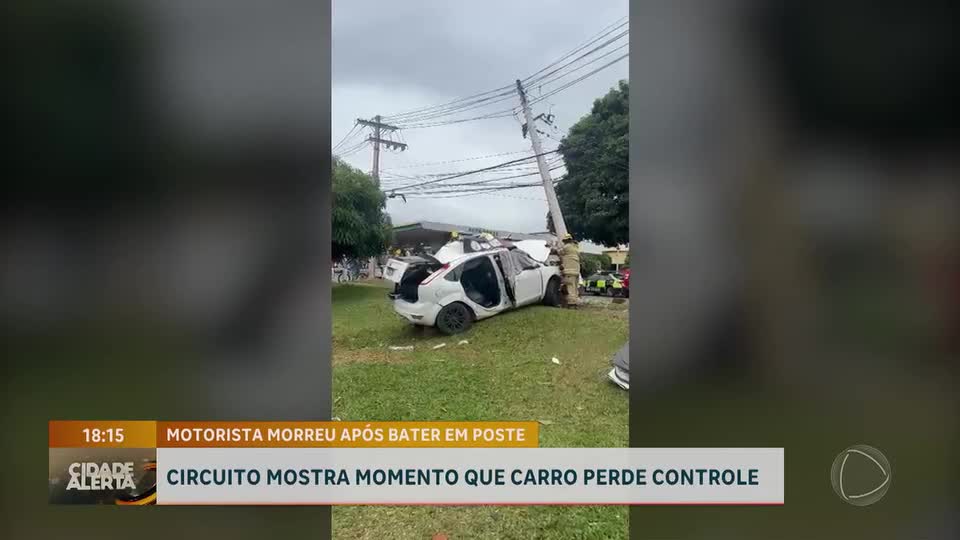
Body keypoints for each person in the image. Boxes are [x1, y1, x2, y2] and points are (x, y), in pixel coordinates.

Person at [560, 233, 581, 307]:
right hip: (576, 271)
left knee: (570, 287)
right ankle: (576, 302)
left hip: (569, 271)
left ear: (566, 240)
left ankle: (571, 303)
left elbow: (559, 252)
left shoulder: (566, 247)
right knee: (575, 288)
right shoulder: (576, 247)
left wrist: (552, 249)